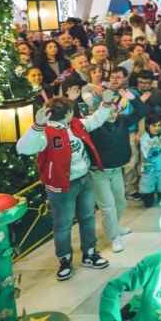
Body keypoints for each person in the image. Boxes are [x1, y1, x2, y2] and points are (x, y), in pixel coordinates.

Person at [16, 96, 113, 281]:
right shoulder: (46, 132)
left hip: (84, 179)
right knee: (63, 225)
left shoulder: (75, 124)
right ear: (68, 113)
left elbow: (94, 120)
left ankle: (90, 253)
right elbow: (23, 148)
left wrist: (106, 104)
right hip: (61, 187)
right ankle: (65, 260)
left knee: (87, 217)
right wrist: (37, 126)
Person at [88, 88, 148, 253]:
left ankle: (115, 226)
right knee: (108, 206)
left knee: (120, 202)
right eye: (108, 111)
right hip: (99, 173)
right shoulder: (95, 126)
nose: (112, 114)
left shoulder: (122, 121)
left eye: (114, 110)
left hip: (116, 170)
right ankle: (114, 237)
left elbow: (142, 111)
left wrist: (132, 98)